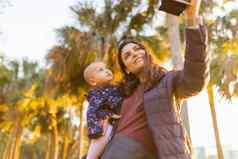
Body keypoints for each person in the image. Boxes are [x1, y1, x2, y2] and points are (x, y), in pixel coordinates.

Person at [100, 0, 209, 158]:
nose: (135, 54)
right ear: (127, 69)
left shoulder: (167, 81)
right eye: (127, 55)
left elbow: (195, 80)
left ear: (146, 53)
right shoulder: (122, 95)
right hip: (113, 149)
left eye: (137, 49)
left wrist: (192, 20)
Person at [83, 61, 124, 159]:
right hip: (104, 126)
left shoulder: (115, 88)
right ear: (93, 81)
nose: (106, 71)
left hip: (118, 121)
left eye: (106, 68)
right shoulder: (96, 94)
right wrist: (108, 115)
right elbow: (92, 112)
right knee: (103, 138)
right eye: (101, 70)